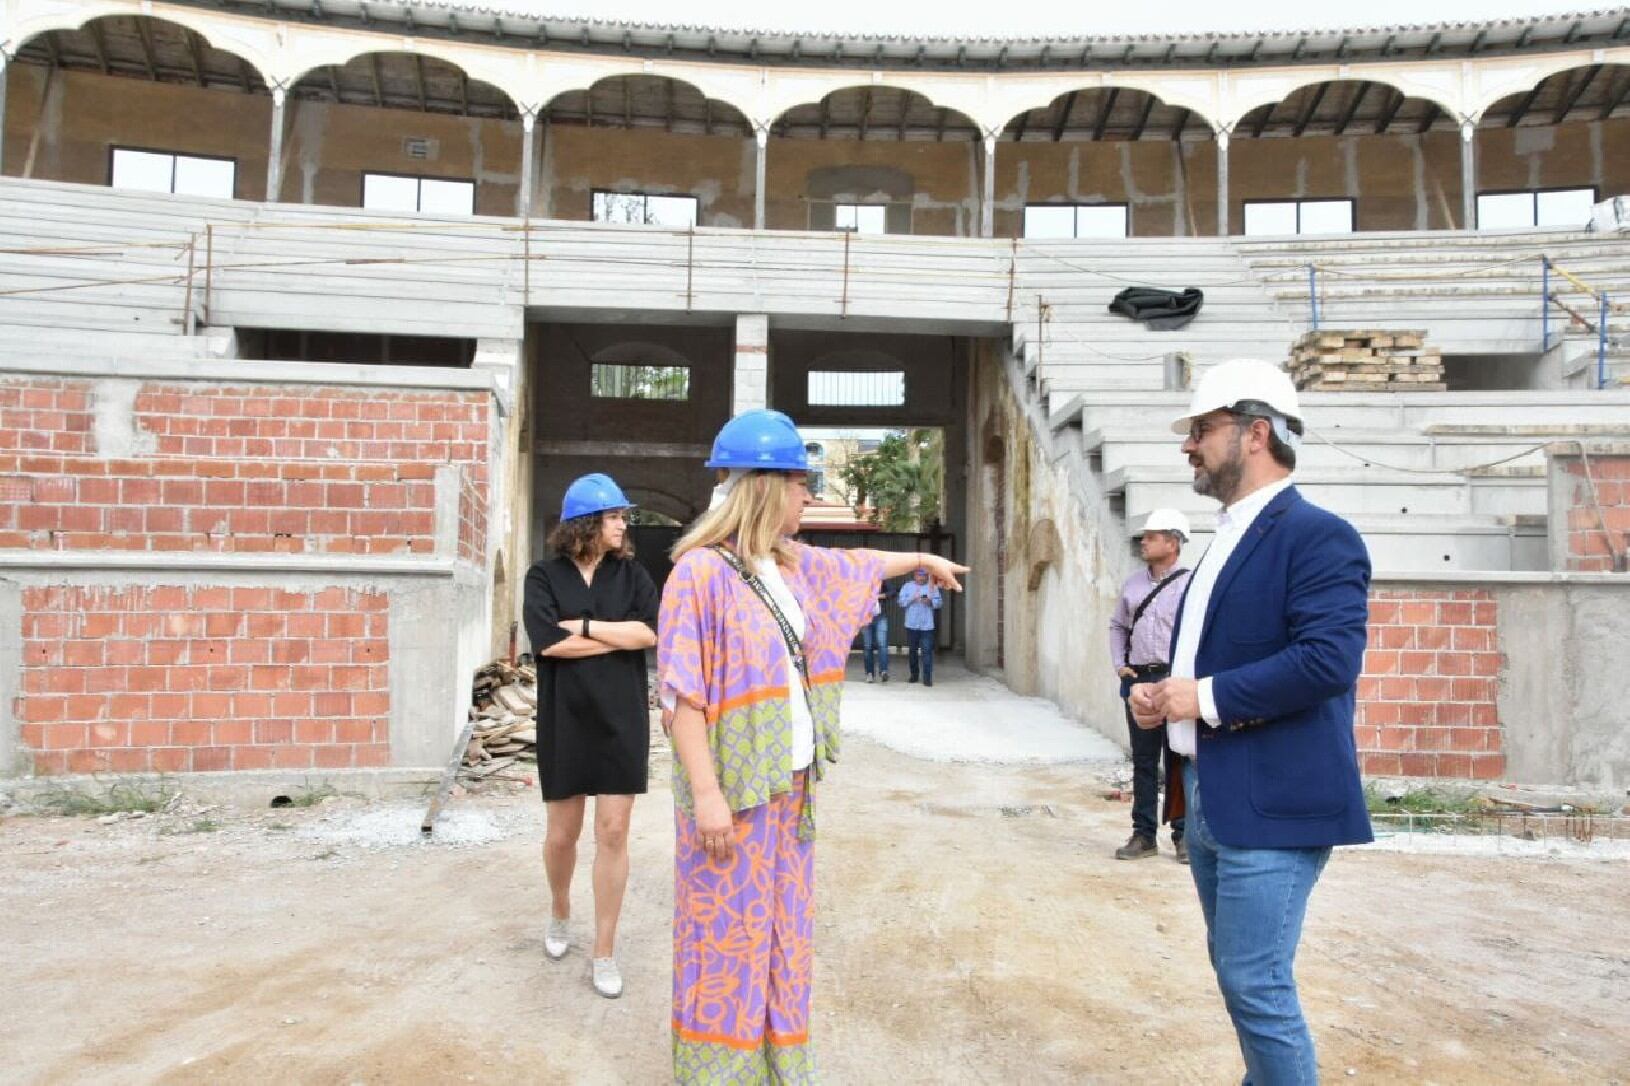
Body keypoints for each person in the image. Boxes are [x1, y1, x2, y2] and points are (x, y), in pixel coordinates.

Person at [658, 409, 968, 1083]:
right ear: (766, 488)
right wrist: (706, 796)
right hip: (733, 792)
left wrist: (922, 558)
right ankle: (718, 1074)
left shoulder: (790, 566)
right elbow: (682, 695)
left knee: (782, 933)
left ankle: (777, 1065)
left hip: (790, 785)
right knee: (725, 937)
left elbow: (858, 565)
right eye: (802, 484)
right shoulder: (699, 574)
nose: (809, 496)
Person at [1130, 359, 1373, 1085]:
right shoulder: (1228, 539)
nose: (1189, 445)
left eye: (1202, 430)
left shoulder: (1318, 535)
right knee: (1241, 976)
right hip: (1214, 795)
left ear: (1255, 432)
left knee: (1256, 983)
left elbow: (1328, 661)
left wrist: (1201, 698)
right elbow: (1218, 658)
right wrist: (1164, 696)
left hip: (1275, 799)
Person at [522, 472, 659, 1001]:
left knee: (614, 832)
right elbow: (546, 643)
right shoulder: (543, 576)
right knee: (562, 834)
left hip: (622, 718)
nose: (623, 525)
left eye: (623, 517)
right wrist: (613, 635)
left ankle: (604, 950)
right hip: (566, 716)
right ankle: (560, 910)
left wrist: (580, 627)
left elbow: (647, 632)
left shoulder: (632, 575)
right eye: (614, 517)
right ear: (585, 523)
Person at [1108, 508, 1192, 863]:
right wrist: (1120, 665)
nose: (1143, 541)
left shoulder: (1191, 584)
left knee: (1178, 759)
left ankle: (1184, 836)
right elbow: (1117, 626)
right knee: (1143, 760)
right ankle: (1143, 835)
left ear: (1172, 543)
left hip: (1175, 679)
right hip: (1140, 680)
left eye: (1152, 537)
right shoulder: (1133, 584)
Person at [897, 567, 942, 686]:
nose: (921, 578)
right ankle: (914, 675)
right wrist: (912, 598)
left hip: (927, 626)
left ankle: (927, 678)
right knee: (912, 651)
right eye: (919, 575)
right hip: (911, 625)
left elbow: (939, 603)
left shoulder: (933, 587)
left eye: (924, 575)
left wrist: (930, 602)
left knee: (927, 651)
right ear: (914, 575)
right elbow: (901, 602)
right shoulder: (907, 586)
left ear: (927, 576)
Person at [858, 583, 891, 683]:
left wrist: (879, 596)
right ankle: (869, 673)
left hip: (880, 616)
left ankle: (883, 671)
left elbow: (893, 592)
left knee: (882, 644)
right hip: (865, 616)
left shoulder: (881, 580)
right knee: (867, 646)